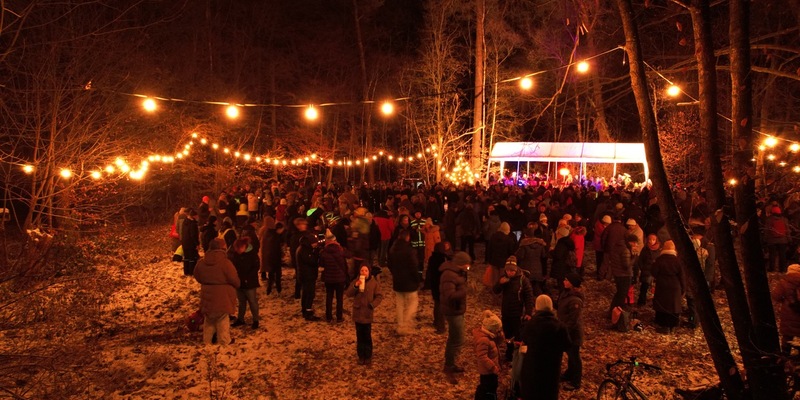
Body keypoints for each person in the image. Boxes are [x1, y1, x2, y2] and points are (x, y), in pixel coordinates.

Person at [520, 295, 571, 400]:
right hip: (551, 369)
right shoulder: (560, 326)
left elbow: (525, 339)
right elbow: (567, 345)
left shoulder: (531, 325)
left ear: (537, 307)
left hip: (533, 368)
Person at [194, 238, 240, 345]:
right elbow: (234, 279)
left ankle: (207, 341)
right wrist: (237, 284)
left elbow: (197, 275)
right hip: (222, 297)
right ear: (221, 248)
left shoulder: (202, 262)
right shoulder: (225, 263)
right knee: (222, 319)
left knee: (209, 320)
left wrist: (207, 282)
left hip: (207, 296)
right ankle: (224, 341)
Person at [492, 257, 534, 362]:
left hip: (518, 314)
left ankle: (518, 356)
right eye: (507, 270)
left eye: (512, 270)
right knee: (508, 334)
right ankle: (509, 353)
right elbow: (495, 290)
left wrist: (529, 312)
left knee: (518, 335)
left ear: (516, 269)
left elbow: (529, 296)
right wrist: (500, 283)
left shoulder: (523, 280)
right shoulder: (504, 278)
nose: (509, 272)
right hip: (506, 312)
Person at [440, 251, 472, 382]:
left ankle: (450, 364)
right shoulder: (449, 275)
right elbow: (450, 296)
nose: (468, 267)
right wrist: (465, 290)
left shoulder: (457, 273)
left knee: (453, 338)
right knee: (457, 340)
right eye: (466, 264)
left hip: (457, 309)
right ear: (460, 264)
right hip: (453, 311)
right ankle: (449, 366)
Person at [346, 264, 383, 365]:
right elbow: (348, 293)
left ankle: (368, 355)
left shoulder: (373, 283)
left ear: (369, 272)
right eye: (362, 270)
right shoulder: (356, 281)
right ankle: (361, 355)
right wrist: (355, 286)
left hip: (367, 313)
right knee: (359, 336)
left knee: (367, 336)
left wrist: (372, 305)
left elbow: (379, 296)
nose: (363, 272)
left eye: (366, 271)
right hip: (358, 313)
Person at [388, 229, 421, 335]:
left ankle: (400, 325)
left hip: (398, 280)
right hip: (409, 281)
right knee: (413, 302)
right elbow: (413, 267)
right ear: (407, 237)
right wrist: (417, 279)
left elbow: (390, 264)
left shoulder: (393, 249)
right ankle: (407, 322)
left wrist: (395, 273)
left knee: (400, 304)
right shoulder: (409, 250)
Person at [558, 272, 585, 391]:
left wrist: (563, 331)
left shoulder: (575, 301)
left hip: (573, 334)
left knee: (574, 357)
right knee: (570, 355)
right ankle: (569, 374)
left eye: (567, 280)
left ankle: (576, 381)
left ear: (572, 284)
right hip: (566, 330)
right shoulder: (566, 293)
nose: (564, 281)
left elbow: (573, 320)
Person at [651, 240, 685, 334]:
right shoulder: (678, 260)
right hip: (675, 286)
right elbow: (682, 275)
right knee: (674, 306)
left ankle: (664, 326)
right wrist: (683, 288)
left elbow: (653, 272)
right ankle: (673, 326)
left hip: (662, 285)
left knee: (663, 305)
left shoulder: (660, 259)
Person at [229, 237, 260, 329]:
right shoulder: (235, 255)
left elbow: (256, 267)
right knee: (241, 302)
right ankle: (240, 319)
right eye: (236, 249)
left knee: (252, 301)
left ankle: (256, 320)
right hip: (239, 282)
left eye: (239, 248)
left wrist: (247, 278)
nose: (238, 250)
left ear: (244, 246)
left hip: (250, 283)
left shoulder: (252, 254)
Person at [473, 310, 504, 400]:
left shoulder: (491, 336)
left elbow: (499, 342)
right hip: (487, 371)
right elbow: (482, 356)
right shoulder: (484, 340)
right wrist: (493, 367)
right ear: (491, 330)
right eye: (497, 330)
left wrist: (500, 334)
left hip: (491, 369)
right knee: (488, 388)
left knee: (491, 386)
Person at [319, 230, 348, 323]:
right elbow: (344, 264)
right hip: (340, 279)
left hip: (329, 279)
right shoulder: (340, 250)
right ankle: (339, 317)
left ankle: (329, 317)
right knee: (339, 299)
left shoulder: (323, 252)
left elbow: (321, 267)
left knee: (329, 297)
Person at [771, 264, 800, 354]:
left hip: (788, 312)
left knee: (787, 336)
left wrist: (785, 299)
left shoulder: (784, 282)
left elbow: (775, 296)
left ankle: (785, 356)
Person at [427, 241, 452, 333]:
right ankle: (441, 327)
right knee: (441, 306)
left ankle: (436, 321)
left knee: (437, 304)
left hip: (434, 284)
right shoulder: (443, 259)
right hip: (441, 285)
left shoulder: (432, 258)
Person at [297, 232, 322, 321]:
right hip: (308, 276)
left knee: (306, 293)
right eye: (315, 243)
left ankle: (305, 310)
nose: (316, 244)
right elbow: (312, 261)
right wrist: (316, 254)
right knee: (309, 294)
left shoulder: (304, 248)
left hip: (307, 275)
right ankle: (307, 312)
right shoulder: (305, 250)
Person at [486, 222, 517, 287]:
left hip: (494, 260)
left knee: (494, 278)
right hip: (504, 262)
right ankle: (501, 292)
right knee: (502, 278)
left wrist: (488, 259)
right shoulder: (509, 240)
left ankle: (495, 291)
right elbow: (511, 252)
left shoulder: (493, 237)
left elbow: (489, 249)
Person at [634, 234, 661, 306]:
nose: (651, 241)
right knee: (644, 287)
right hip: (646, 271)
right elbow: (640, 260)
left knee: (655, 289)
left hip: (655, 272)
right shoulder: (645, 249)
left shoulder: (658, 249)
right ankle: (641, 302)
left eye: (653, 239)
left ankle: (655, 303)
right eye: (650, 239)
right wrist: (643, 268)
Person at [261, 221, 285, 295]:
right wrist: (281, 255)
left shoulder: (269, 234)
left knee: (271, 275)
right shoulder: (275, 237)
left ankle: (269, 290)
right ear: (279, 229)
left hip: (269, 258)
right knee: (277, 275)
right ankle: (278, 289)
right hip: (274, 259)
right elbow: (275, 249)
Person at [765, 206, 791, 272]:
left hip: (772, 241)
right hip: (783, 240)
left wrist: (766, 240)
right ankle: (782, 270)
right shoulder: (784, 219)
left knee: (772, 255)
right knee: (782, 255)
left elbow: (767, 231)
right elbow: (787, 231)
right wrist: (789, 239)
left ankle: (771, 269)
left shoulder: (769, 220)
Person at [181, 209, 200, 276]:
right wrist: (197, 244)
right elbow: (193, 235)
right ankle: (192, 271)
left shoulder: (185, 222)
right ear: (194, 216)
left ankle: (186, 271)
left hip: (184, 242)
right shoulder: (193, 224)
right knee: (192, 258)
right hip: (191, 243)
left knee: (186, 257)